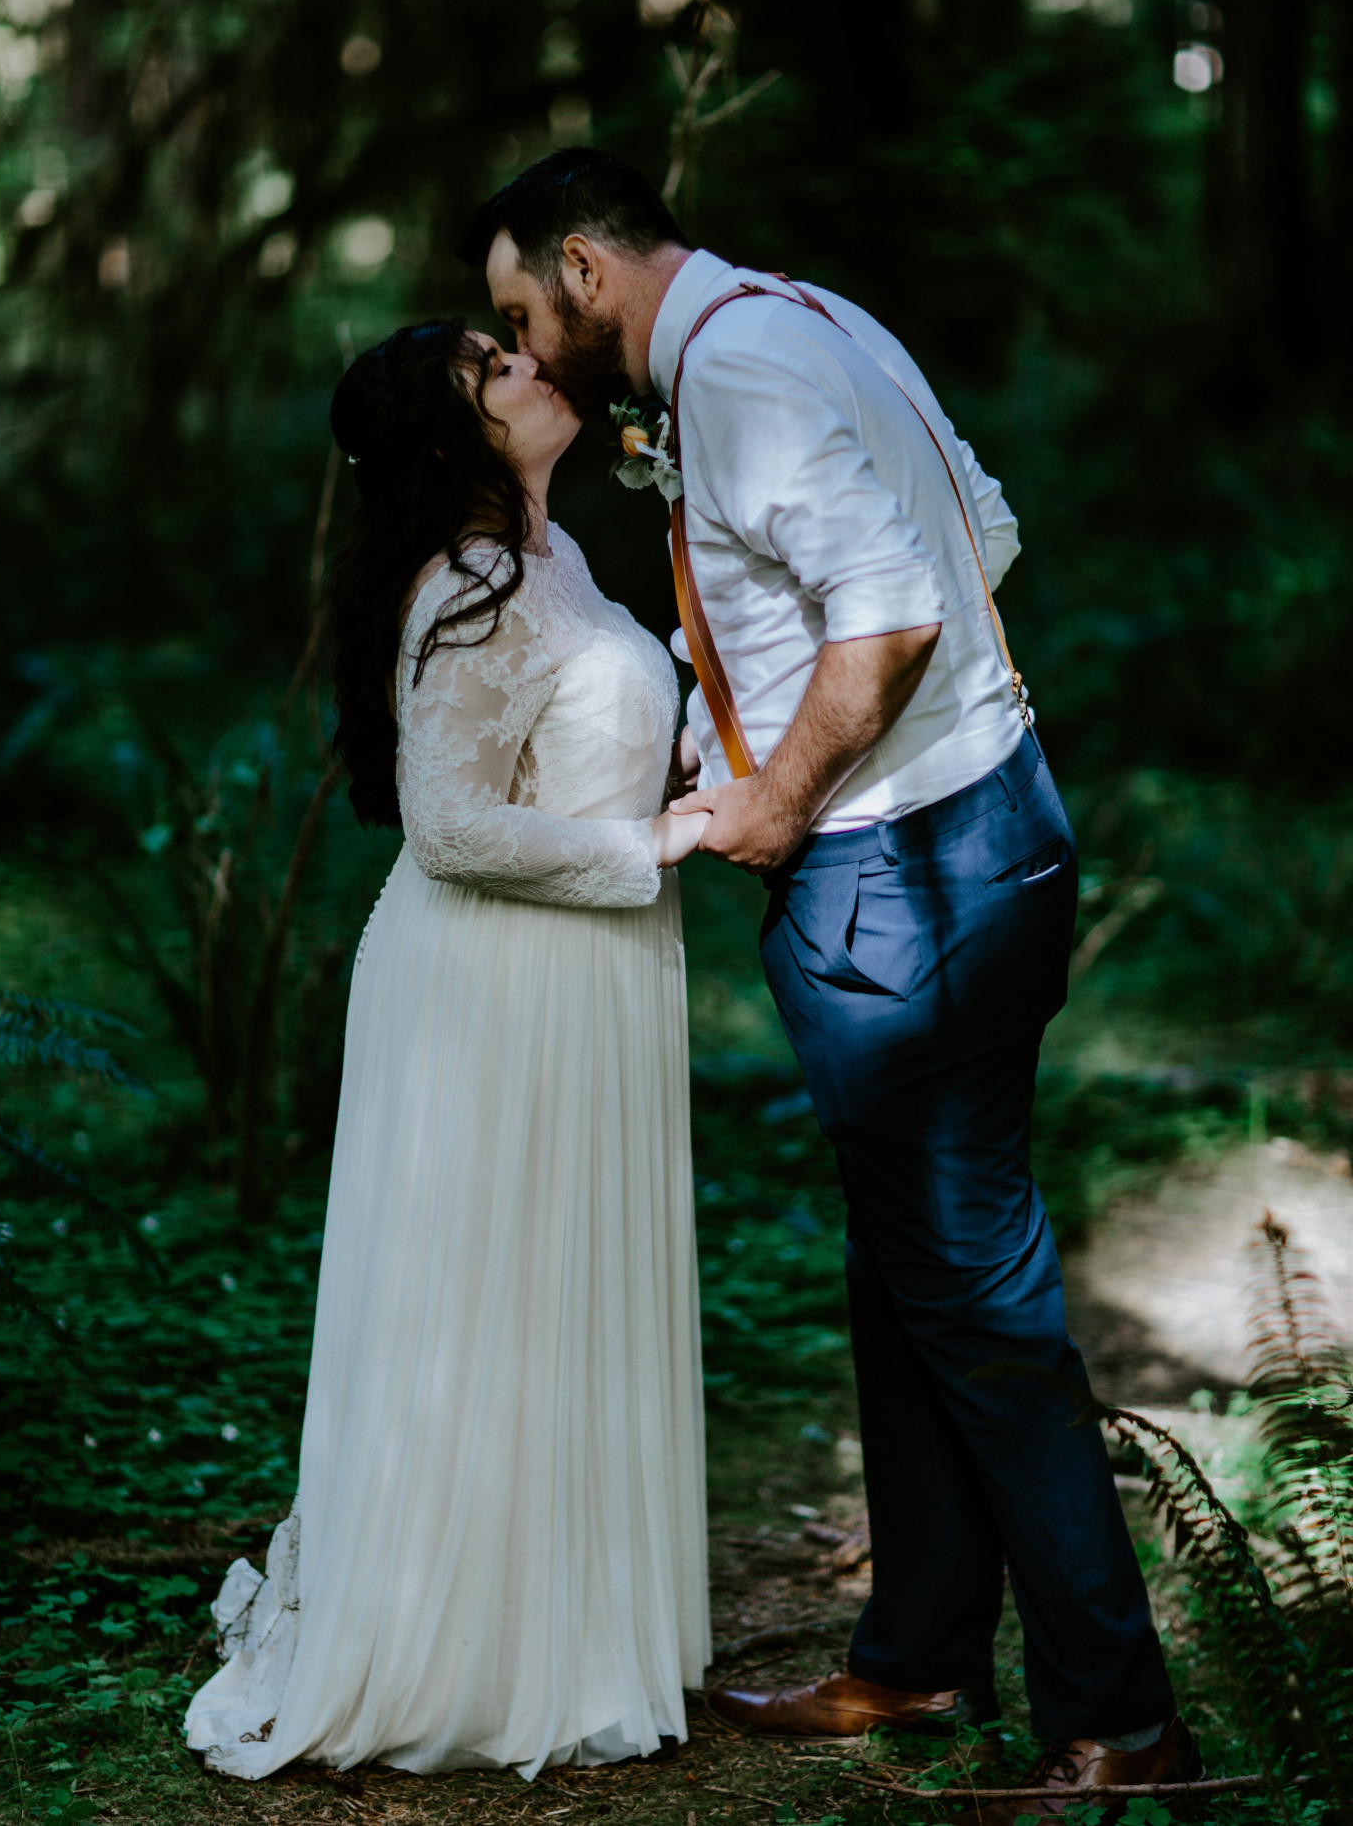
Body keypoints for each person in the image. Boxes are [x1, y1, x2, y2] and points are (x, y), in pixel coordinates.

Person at [457, 150, 1203, 1824]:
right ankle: (922, 1648)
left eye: (521, 312)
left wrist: (782, 798)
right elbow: (980, 533)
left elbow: (886, 621)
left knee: (982, 1307)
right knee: (911, 1267)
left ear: (584, 269)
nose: (524, 345)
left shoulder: (739, 370)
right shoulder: (805, 316)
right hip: (982, 826)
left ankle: (1124, 1718)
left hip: (900, 877)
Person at [184, 320, 711, 1780]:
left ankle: (568, 1623)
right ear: (449, 437)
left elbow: (556, 747)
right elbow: (454, 825)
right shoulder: (469, 581)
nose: (537, 365)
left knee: (562, 1288)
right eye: (494, 369)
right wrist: (652, 837)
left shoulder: (554, 556)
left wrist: (677, 759)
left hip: (584, 964)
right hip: (498, 979)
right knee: (492, 1294)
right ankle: (466, 1646)